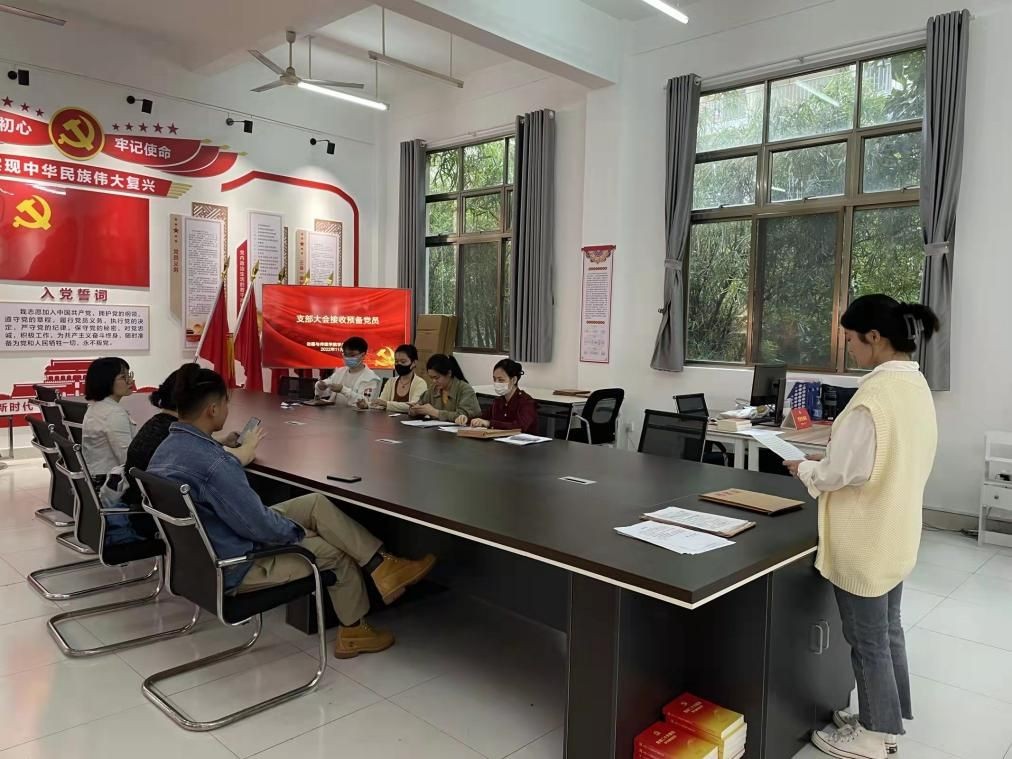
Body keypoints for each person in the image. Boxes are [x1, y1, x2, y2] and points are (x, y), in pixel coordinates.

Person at [147, 363, 436, 659]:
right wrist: (299, 534)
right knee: (335, 553)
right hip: (235, 564)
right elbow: (259, 527)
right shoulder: (215, 465)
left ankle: (382, 566)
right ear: (212, 409)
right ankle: (354, 632)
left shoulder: (165, 449)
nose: (227, 409)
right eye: (225, 403)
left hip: (198, 558)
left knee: (314, 503)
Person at [783, 295, 939, 759]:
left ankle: (874, 735)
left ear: (875, 337)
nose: (849, 348)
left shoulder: (873, 399)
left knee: (866, 638)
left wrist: (804, 468)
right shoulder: (916, 386)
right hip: (897, 528)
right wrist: (833, 458)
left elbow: (838, 475)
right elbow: (886, 455)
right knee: (888, 629)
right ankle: (889, 718)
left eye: (851, 339)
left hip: (866, 537)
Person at [81, 357, 136, 485]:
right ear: (106, 382)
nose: (130, 381)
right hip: (110, 484)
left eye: (129, 375)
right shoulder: (113, 413)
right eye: (123, 377)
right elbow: (128, 460)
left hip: (95, 480)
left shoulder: (96, 407)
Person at [456, 359, 538, 435]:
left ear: (514, 380)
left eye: (501, 380)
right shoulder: (498, 401)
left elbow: (520, 426)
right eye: (494, 379)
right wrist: (466, 419)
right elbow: (483, 418)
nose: (496, 383)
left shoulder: (526, 402)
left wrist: (489, 423)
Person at [408, 354, 481, 422]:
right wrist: (415, 410)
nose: (434, 381)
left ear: (449, 373)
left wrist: (435, 412)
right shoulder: (433, 389)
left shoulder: (465, 390)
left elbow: (463, 416)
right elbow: (420, 404)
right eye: (431, 378)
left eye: (437, 378)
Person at [315, 336, 381, 407]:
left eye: (352, 355)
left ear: (363, 355)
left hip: (355, 413)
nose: (348, 358)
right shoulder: (340, 372)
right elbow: (326, 391)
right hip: (334, 411)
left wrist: (343, 389)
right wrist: (320, 387)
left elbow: (364, 402)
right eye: (346, 355)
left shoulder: (371, 378)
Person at [366, 344, 428, 413]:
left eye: (403, 362)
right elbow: (380, 403)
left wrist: (387, 404)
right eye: (396, 361)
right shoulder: (391, 381)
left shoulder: (420, 383)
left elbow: (414, 406)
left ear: (414, 363)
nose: (399, 364)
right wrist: (367, 405)